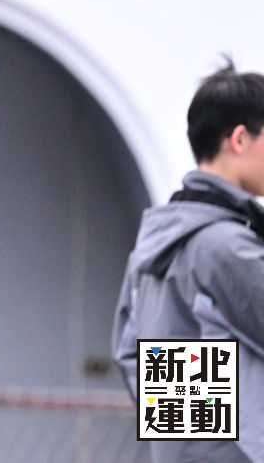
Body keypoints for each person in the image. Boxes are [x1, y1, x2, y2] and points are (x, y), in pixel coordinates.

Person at [112, 60, 264, 463]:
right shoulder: (222, 245)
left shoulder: (153, 247)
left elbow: (129, 353)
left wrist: (187, 426)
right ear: (240, 139)